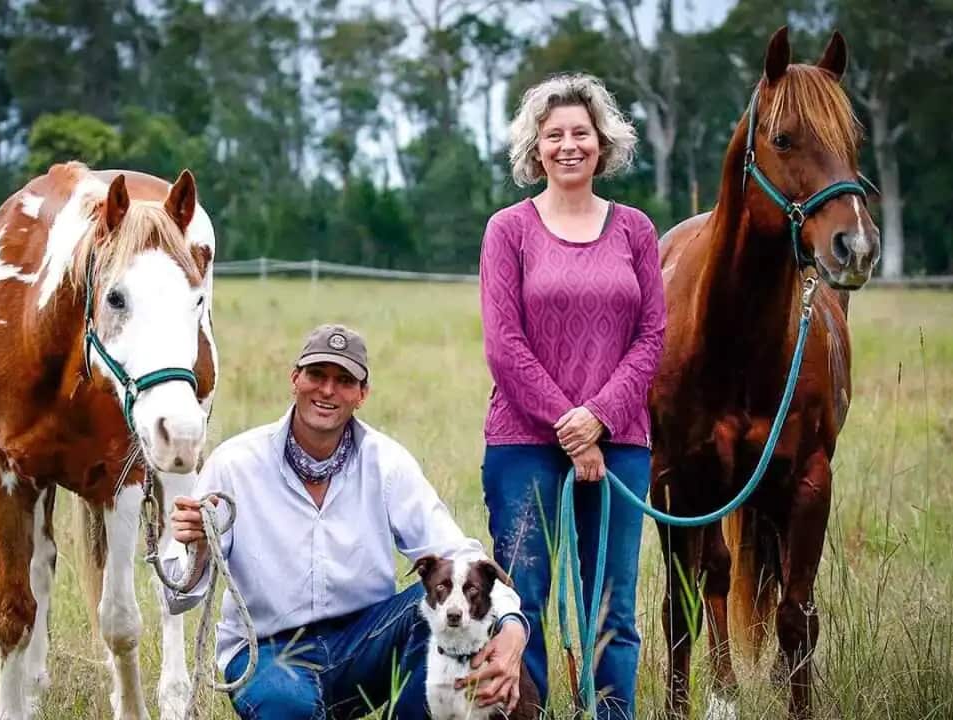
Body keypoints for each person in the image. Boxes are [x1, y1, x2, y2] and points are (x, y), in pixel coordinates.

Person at [165, 324, 531, 720]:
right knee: (290, 708)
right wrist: (199, 548)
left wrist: (511, 624)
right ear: (295, 379)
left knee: (436, 611)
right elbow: (177, 596)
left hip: (364, 642)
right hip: (268, 650)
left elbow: (459, 555)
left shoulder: (386, 463)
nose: (327, 391)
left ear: (362, 395)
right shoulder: (235, 464)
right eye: (316, 375)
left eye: (344, 381)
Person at [478, 73, 667, 720]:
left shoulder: (637, 231)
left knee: (613, 605)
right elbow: (504, 344)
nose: (567, 146)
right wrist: (569, 424)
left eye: (579, 133)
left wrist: (598, 421)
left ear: (601, 143)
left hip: (621, 447)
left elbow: (652, 337)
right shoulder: (509, 230)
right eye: (553, 135)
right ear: (535, 148)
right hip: (523, 443)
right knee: (521, 599)